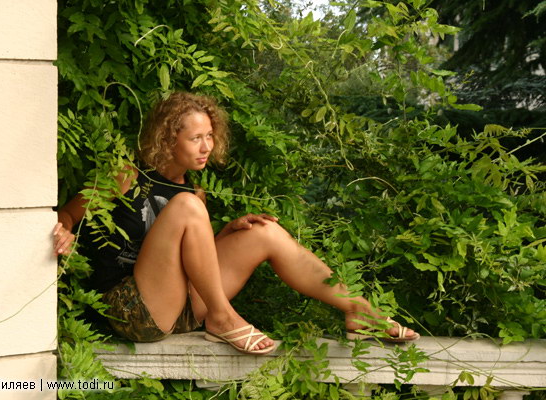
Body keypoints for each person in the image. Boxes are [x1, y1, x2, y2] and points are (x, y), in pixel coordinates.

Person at [53, 92, 419, 355]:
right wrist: (64, 228)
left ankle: (358, 310)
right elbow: (70, 213)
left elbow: (188, 258)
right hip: (128, 309)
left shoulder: (195, 192)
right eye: (196, 137)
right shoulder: (126, 174)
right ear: (167, 137)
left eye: (210, 136)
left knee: (264, 231)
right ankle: (222, 317)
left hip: (178, 307)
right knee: (185, 207)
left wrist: (225, 235)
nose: (206, 146)